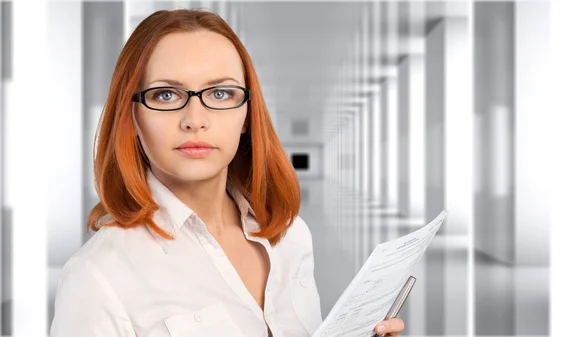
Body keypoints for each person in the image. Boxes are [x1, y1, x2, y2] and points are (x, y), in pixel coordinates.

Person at [49, 8, 405, 337]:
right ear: (133, 116)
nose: (195, 120)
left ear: (247, 113)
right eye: (166, 95)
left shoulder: (289, 234)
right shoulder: (97, 277)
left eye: (219, 93)